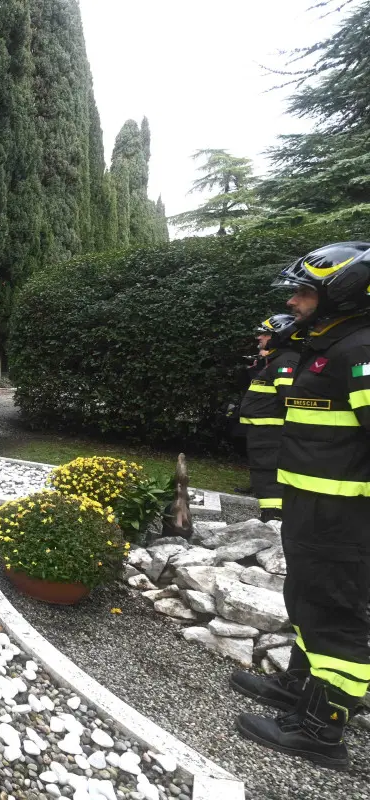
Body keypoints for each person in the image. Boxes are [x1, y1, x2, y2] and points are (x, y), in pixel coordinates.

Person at [230, 242, 370, 770]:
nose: (292, 301)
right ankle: (298, 688)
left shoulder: (360, 351)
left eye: (304, 292)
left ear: (344, 294)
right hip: (313, 506)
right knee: (308, 601)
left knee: (335, 617)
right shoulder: (328, 346)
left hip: (342, 514)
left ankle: (322, 729)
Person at [237, 314, 300, 522]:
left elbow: (289, 398)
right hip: (263, 431)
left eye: (265, 333)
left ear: (281, 336)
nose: (259, 338)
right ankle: (270, 516)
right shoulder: (276, 360)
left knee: (269, 475)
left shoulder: (287, 361)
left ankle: (274, 519)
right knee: (263, 475)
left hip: (272, 432)